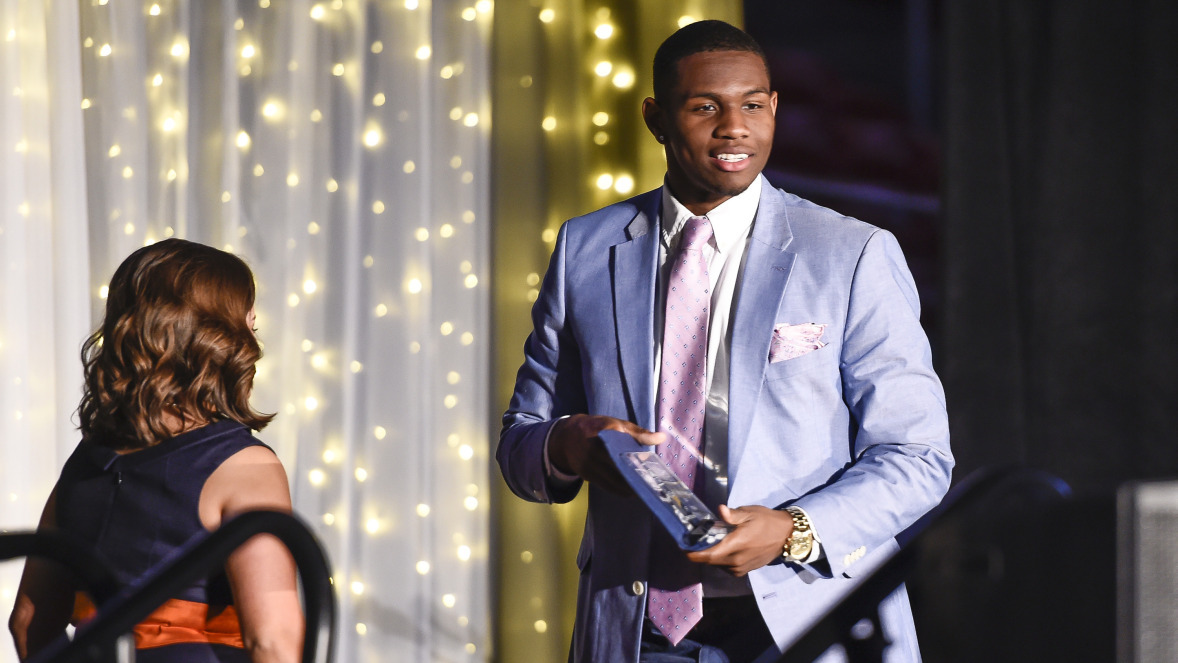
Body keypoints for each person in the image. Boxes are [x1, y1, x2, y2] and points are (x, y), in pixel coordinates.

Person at [498, 20, 953, 663]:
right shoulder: (585, 249)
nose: (734, 127)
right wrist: (567, 445)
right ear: (656, 118)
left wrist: (794, 530)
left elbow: (918, 457)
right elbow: (521, 442)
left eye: (754, 105)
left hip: (804, 623)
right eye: (705, 106)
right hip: (637, 630)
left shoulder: (853, 254)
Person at [8, 239, 303, 663]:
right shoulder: (243, 466)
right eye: (245, 310)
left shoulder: (86, 462)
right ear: (217, 335)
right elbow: (274, 640)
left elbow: (28, 620)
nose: (254, 323)